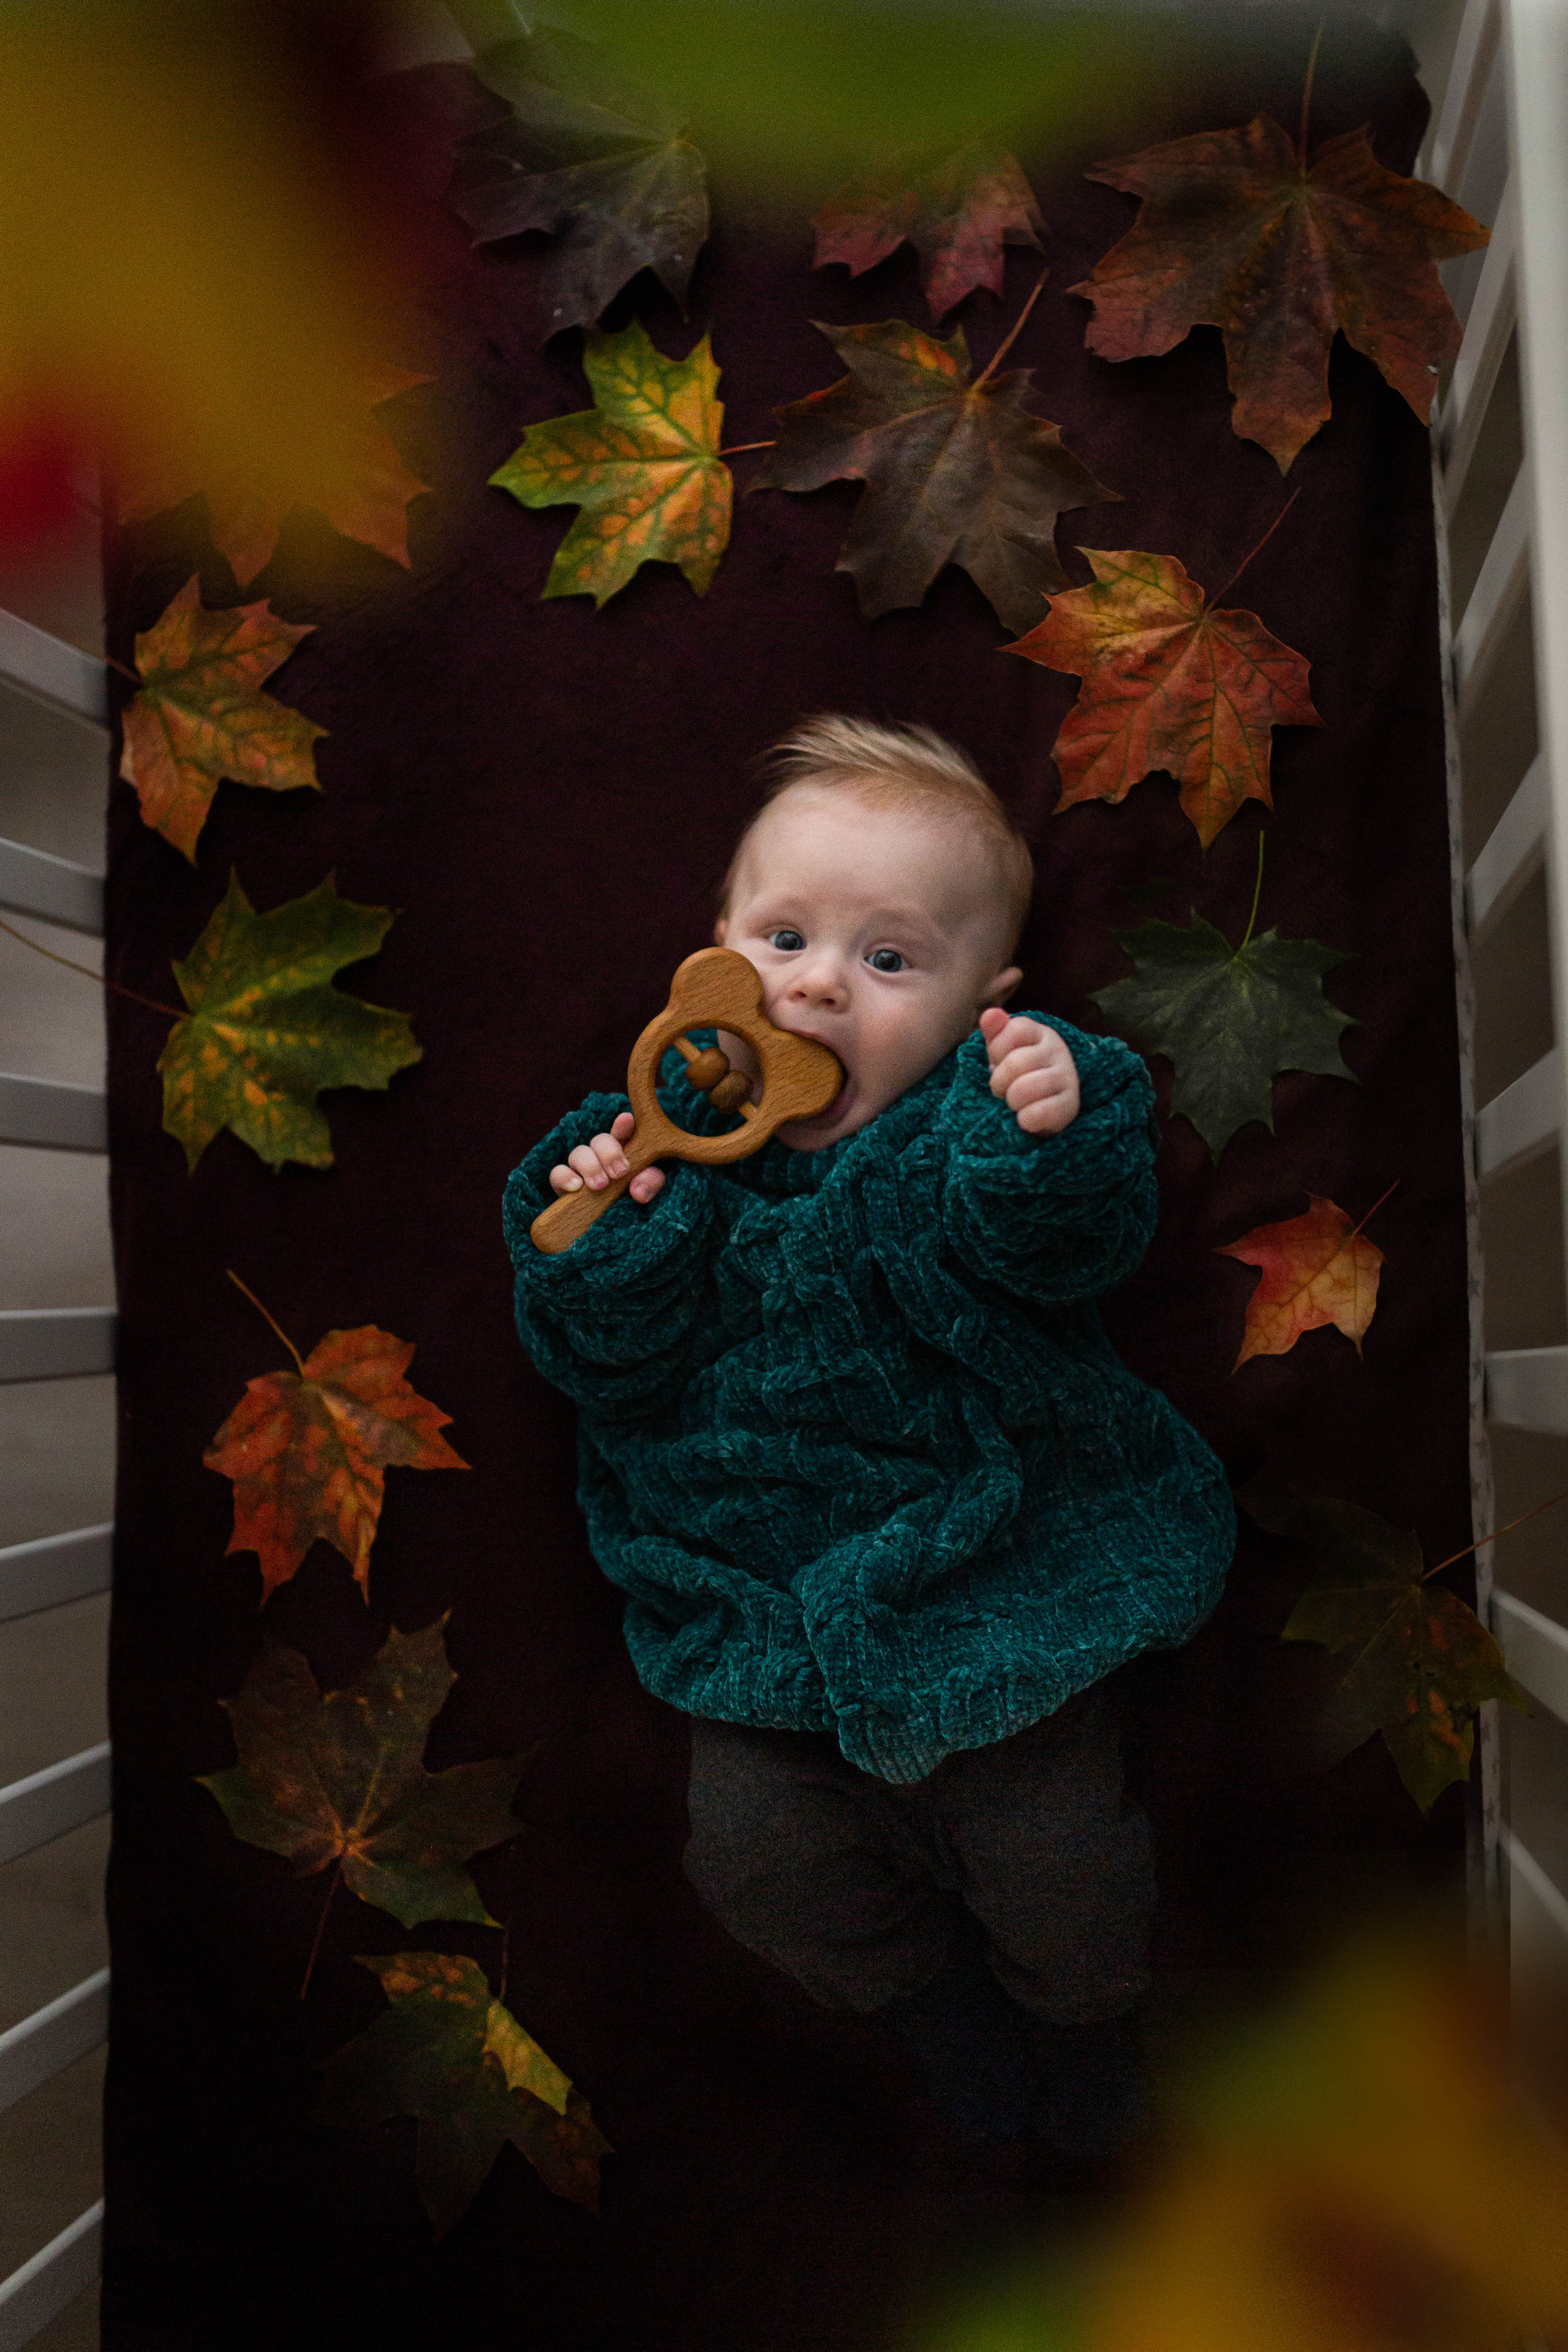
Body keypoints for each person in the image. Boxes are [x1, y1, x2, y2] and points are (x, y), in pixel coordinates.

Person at [503, 716, 1234, 2168]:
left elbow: (1058, 1246)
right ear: (713, 953)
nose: (821, 982)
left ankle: (1086, 2028)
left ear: (983, 1002)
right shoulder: (655, 1156)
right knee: (754, 1865)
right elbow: (596, 1362)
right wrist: (602, 1243)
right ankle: (935, 2008)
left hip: (991, 1580)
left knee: (1067, 1873)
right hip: (761, 1608)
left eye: (892, 960)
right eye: (783, 937)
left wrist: (1048, 1126)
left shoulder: (964, 1127)